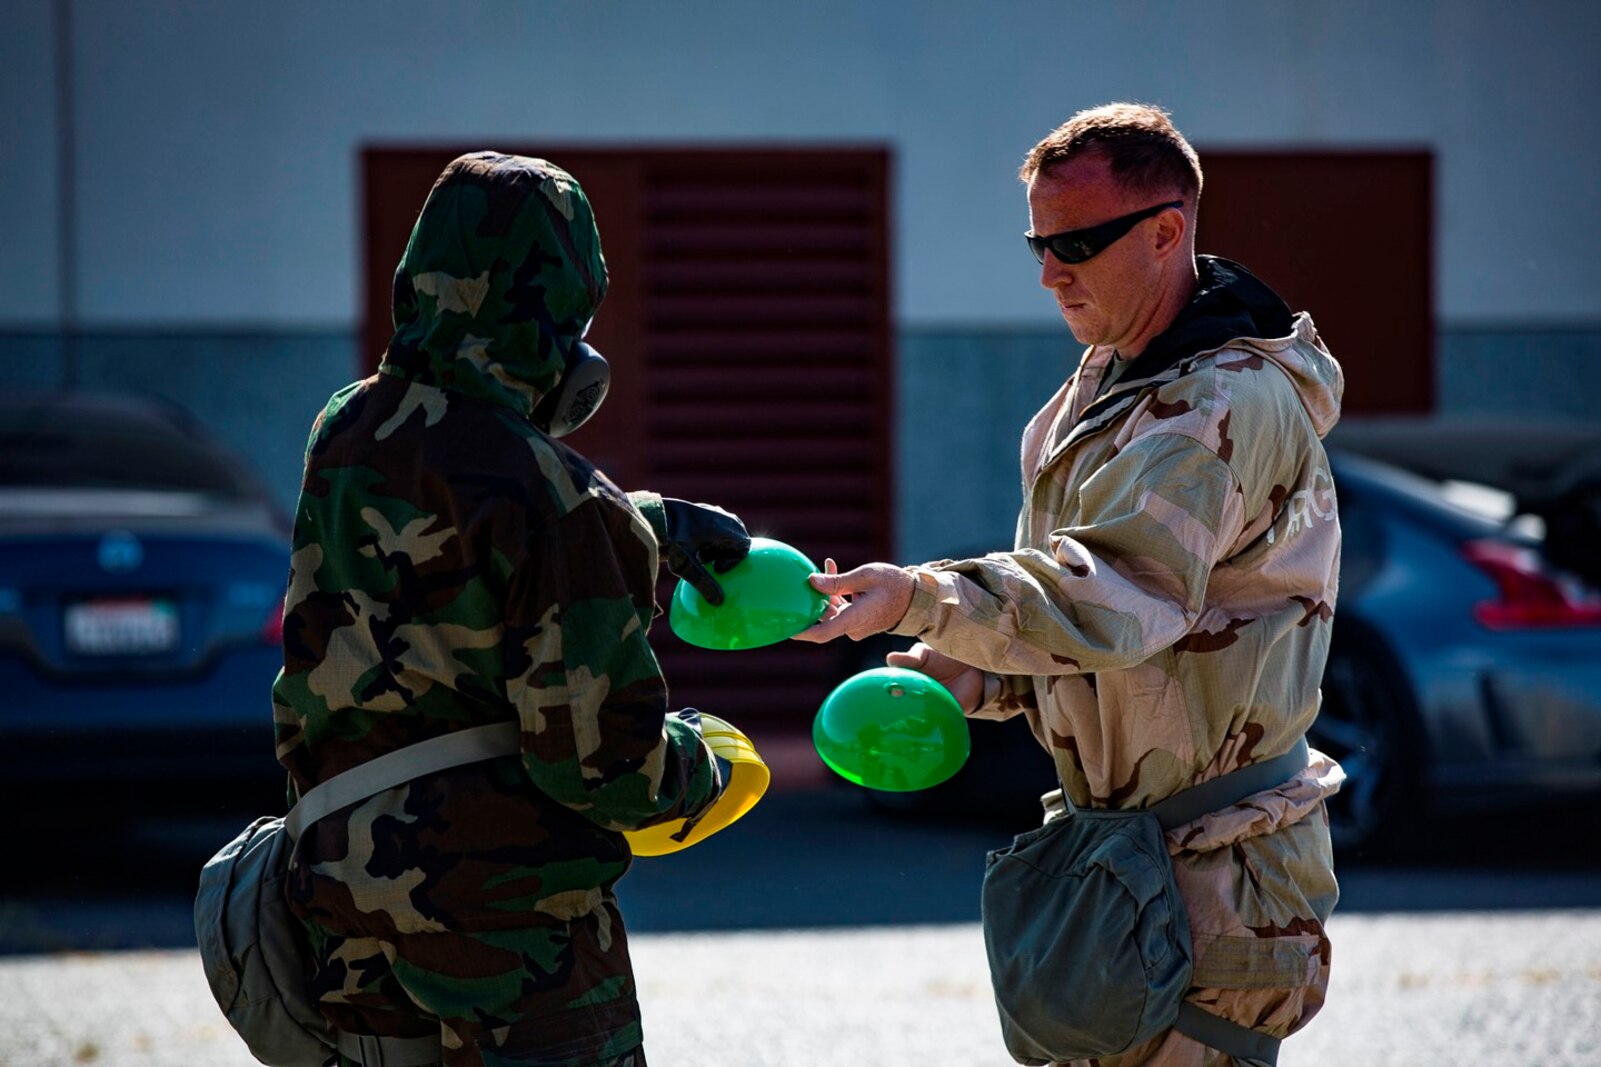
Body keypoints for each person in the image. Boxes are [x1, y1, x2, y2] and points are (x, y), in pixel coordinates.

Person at [795, 103, 1346, 1065]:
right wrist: (981, 673)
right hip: (1123, 868)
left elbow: (1117, 594)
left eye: (1078, 244)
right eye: (1038, 245)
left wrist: (928, 599)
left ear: (1166, 231)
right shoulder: (1109, 381)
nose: (1052, 271)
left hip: (1212, 880)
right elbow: (1120, 635)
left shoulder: (1218, 398)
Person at [272, 151, 750, 1067]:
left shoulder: (347, 427)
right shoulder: (560, 498)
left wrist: (641, 524)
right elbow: (604, 771)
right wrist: (706, 761)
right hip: (506, 938)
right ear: (562, 315)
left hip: (342, 900)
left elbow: (436, 546)